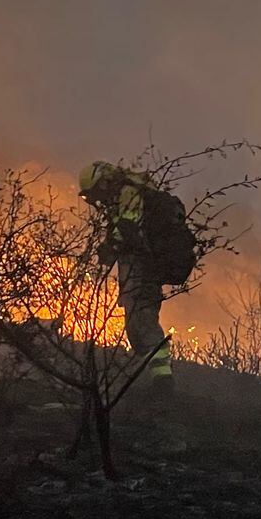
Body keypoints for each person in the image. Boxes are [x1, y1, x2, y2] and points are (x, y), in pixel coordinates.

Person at [78, 160, 197, 389]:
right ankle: (153, 377)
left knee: (142, 320)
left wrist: (110, 248)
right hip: (140, 267)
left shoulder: (128, 193)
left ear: (103, 182)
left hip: (141, 269)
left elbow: (129, 230)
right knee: (136, 324)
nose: (97, 201)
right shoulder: (135, 191)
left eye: (95, 194)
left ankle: (162, 380)